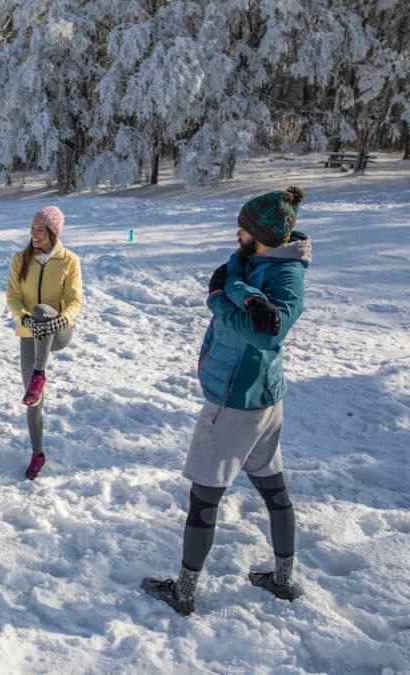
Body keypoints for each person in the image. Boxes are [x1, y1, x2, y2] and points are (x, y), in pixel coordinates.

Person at [142, 187, 311, 616]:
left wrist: (219, 300)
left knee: (204, 499)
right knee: (272, 485)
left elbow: (267, 333)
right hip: (260, 395)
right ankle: (282, 579)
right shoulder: (260, 258)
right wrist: (233, 279)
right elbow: (236, 271)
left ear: (262, 235)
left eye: (244, 230)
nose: (237, 234)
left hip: (236, 402)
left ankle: (184, 591)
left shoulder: (287, 277)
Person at [5, 206, 84, 480]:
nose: (34, 234)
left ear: (53, 231)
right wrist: (23, 318)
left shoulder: (69, 260)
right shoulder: (20, 259)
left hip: (59, 329)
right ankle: (37, 453)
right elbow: (13, 297)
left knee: (43, 310)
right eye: (32, 229)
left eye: (39, 229)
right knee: (33, 400)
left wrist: (63, 319)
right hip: (30, 331)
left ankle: (40, 373)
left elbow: (75, 301)